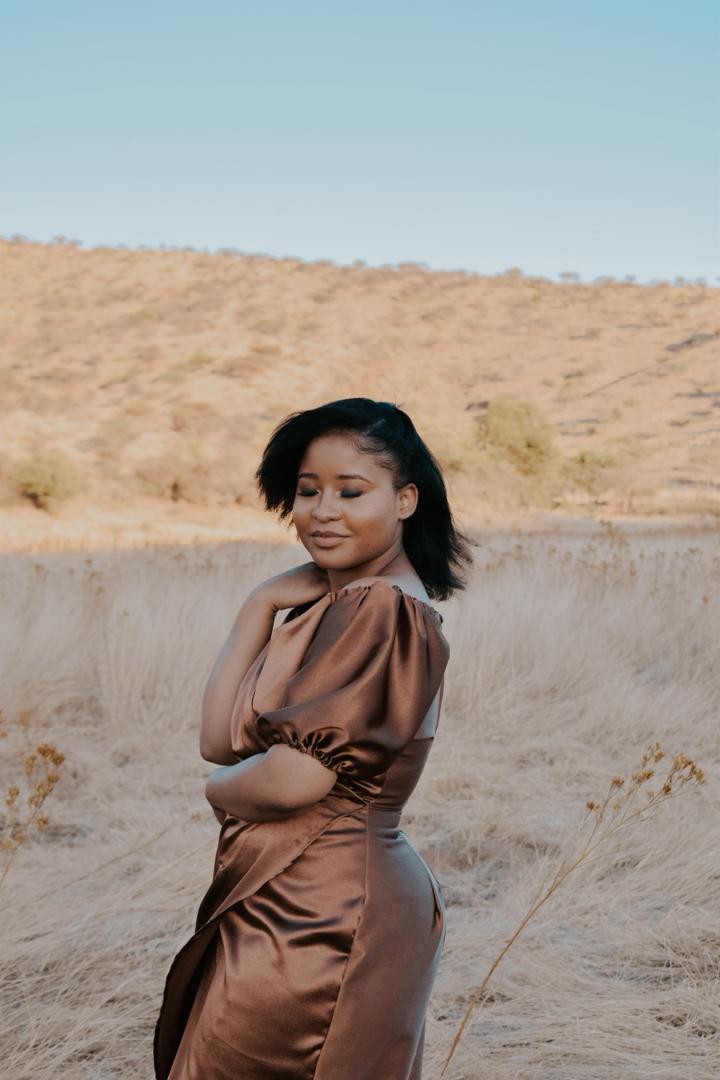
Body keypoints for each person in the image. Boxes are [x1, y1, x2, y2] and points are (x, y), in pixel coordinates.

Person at [153, 397, 474, 1079]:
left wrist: (219, 792)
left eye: (351, 491)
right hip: (300, 892)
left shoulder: (380, 609)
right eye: (308, 490)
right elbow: (219, 736)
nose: (324, 511)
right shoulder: (344, 604)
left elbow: (292, 779)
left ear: (406, 500)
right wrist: (261, 605)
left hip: (326, 911)